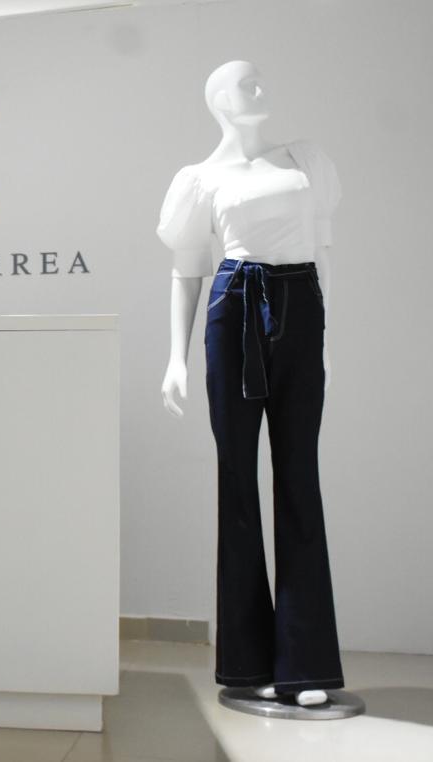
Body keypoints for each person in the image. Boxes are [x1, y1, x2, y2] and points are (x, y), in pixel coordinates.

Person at [156, 60, 345, 708]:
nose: (260, 88)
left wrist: (324, 338)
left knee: (299, 478)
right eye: (245, 83)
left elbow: (321, 250)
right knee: (237, 483)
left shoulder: (305, 161)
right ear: (217, 100)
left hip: (300, 304)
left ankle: (305, 664)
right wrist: (176, 358)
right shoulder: (200, 179)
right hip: (235, 305)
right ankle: (246, 664)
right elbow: (187, 269)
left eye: (261, 79)